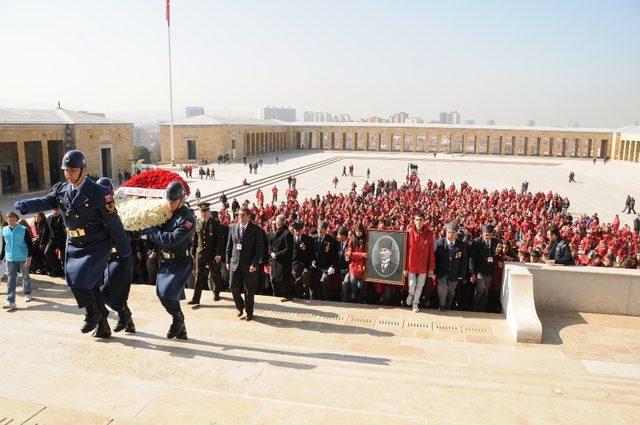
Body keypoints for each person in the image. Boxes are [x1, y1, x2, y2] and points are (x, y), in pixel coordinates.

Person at [14, 150, 131, 338]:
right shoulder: (62, 189)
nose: (68, 174)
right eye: (66, 170)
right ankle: (103, 325)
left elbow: (113, 221)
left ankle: (93, 313)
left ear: (83, 170)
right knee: (80, 282)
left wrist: (124, 249)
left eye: (72, 170)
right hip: (74, 244)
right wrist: (28, 205)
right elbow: (47, 201)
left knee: (80, 281)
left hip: (95, 244)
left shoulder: (99, 192)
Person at [141, 181, 195, 339]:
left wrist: (152, 232)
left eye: (172, 201)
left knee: (167, 293)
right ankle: (181, 327)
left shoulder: (188, 219)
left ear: (181, 200)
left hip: (180, 262)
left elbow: (170, 239)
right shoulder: (166, 212)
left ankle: (178, 319)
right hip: (165, 261)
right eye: (168, 200)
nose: (169, 203)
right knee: (163, 294)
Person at [97, 177, 136, 334]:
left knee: (115, 294)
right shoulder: (97, 211)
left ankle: (126, 317)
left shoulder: (119, 210)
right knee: (103, 293)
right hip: (105, 257)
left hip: (120, 256)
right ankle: (128, 321)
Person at [226, 207, 264, 321]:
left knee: (249, 290)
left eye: (242, 214)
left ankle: (249, 312)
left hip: (249, 265)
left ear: (248, 216)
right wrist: (228, 261)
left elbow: (259, 249)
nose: (240, 216)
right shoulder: (233, 227)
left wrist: (255, 264)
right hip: (235, 263)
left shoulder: (256, 229)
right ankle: (239, 306)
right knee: (232, 286)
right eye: (239, 214)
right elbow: (229, 246)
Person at [189, 202, 223, 305]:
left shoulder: (215, 223)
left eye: (205, 212)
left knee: (214, 273)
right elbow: (195, 238)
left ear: (209, 212)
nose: (203, 214)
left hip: (212, 253)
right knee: (199, 275)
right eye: (202, 212)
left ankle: (216, 292)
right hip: (200, 253)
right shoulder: (198, 222)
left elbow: (219, 240)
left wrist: (218, 254)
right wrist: (193, 252)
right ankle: (196, 298)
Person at [0, 211, 33, 309]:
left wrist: (29, 257)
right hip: (10, 258)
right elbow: (4, 245)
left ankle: (27, 293)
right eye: (9, 220)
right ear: (6, 220)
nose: (11, 222)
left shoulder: (24, 230)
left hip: (23, 257)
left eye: (13, 220)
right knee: (11, 280)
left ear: (16, 220)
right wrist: (1, 258)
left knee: (25, 276)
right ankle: (11, 301)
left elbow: (30, 245)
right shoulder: (4, 230)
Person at [405, 212, 436, 313]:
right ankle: (410, 294)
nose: (418, 222)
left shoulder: (429, 233)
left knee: (420, 285)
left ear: (424, 221)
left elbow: (431, 251)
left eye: (421, 220)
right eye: (417, 220)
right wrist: (404, 268)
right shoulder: (409, 232)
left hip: (423, 264)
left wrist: (431, 268)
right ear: (414, 221)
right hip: (411, 264)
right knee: (412, 284)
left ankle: (415, 303)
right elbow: (405, 251)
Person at [434, 222, 468, 311]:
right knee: (443, 288)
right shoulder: (439, 243)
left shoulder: (461, 245)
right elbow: (434, 259)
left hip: (454, 273)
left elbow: (464, 261)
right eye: (448, 232)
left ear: (456, 234)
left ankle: (448, 306)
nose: (450, 234)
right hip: (441, 272)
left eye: (453, 232)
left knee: (451, 292)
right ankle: (442, 305)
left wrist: (462, 274)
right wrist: (433, 271)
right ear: (446, 232)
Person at [469, 224, 499, 312]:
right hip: (479, 270)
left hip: (489, 270)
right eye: (486, 235)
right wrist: (472, 272)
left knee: (486, 293)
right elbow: (472, 258)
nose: (488, 237)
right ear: (482, 234)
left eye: (490, 235)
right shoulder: (476, 242)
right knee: (480, 288)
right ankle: (473, 308)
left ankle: (482, 310)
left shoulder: (495, 241)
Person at [268, 215, 294, 302]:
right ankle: (279, 295)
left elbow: (288, 249)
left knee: (283, 279)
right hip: (275, 260)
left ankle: (288, 295)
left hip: (283, 261)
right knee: (275, 279)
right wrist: (271, 252)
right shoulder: (276, 232)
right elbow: (271, 244)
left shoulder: (287, 233)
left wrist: (276, 255)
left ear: (278, 223)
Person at [344, 223, 367, 303]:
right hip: (353, 265)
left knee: (361, 285)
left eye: (360, 231)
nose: (358, 233)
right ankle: (353, 294)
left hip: (363, 265)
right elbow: (349, 254)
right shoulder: (352, 240)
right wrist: (361, 254)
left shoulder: (366, 240)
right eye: (357, 231)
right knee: (352, 280)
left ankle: (360, 299)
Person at [291, 221, 314, 299]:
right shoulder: (290, 238)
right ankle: (296, 296)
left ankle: (305, 292)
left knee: (306, 275)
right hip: (293, 265)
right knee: (295, 280)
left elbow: (311, 254)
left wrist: (308, 264)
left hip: (305, 265)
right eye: (296, 231)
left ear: (302, 230)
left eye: (299, 230)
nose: (297, 232)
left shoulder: (308, 239)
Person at [45, 208, 65, 277]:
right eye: (54, 210)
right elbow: (46, 231)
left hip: (63, 240)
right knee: (47, 253)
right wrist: (42, 242)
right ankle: (55, 269)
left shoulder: (64, 217)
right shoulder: (48, 218)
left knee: (64, 256)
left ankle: (65, 272)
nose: (56, 211)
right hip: (52, 240)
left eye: (57, 210)